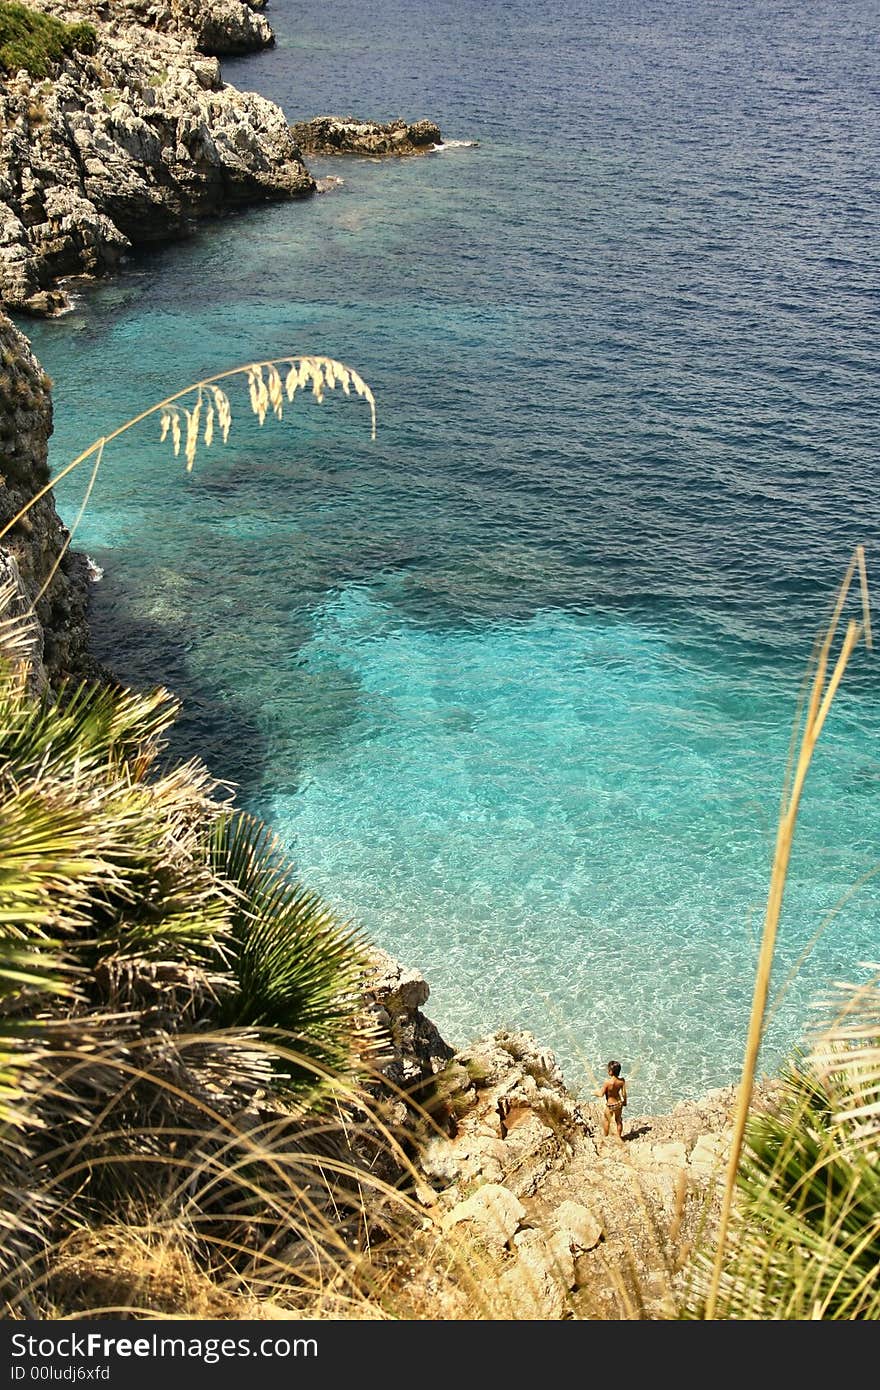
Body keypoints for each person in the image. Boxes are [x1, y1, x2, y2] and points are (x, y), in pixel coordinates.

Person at [595, 1059, 627, 1139]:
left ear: (610, 1072)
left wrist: (594, 1093)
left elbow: (601, 1094)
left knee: (606, 1120)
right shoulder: (622, 1081)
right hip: (619, 1103)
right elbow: (624, 1094)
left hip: (610, 1105)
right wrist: (625, 1102)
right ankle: (619, 1137)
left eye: (608, 1070)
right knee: (618, 1120)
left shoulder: (607, 1083)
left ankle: (605, 1136)